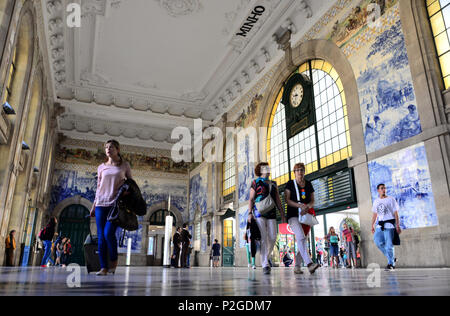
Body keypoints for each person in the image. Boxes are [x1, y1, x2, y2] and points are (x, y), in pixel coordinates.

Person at [90, 139, 132, 276]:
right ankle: (104, 268)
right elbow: (98, 187)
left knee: (109, 233)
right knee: (101, 236)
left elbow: (131, 184)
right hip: (101, 204)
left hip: (115, 205)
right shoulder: (101, 167)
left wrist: (127, 192)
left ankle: (113, 260)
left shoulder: (124, 166)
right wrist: (93, 205)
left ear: (118, 149)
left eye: (111, 147)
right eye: (106, 147)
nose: (108, 149)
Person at [248, 162, 286, 275]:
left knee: (273, 237)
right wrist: (249, 213)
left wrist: (282, 214)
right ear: (260, 170)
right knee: (263, 237)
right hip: (259, 212)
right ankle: (265, 264)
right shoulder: (255, 182)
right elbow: (251, 199)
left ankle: (266, 257)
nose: (267, 169)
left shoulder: (274, 184)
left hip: (272, 212)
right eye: (265, 168)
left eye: (268, 167)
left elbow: (278, 200)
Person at [284, 163, 320, 275]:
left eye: (301, 170)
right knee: (300, 237)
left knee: (302, 240)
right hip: (293, 214)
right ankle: (309, 264)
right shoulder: (290, 184)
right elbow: (287, 200)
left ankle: (297, 267)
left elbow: (313, 200)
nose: (300, 172)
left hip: (305, 215)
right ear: (294, 172)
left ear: (304, 171)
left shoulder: (308, 184)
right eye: (297, 170)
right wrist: (300, 206)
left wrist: (307, 207)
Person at [371, 183, 402, 271]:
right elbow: (374, 215)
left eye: (384, 188)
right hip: (380, 225)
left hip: (390, 225)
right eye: (382, 188)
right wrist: (372, 225)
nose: (384, 190)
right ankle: (391, 258)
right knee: (377, 242)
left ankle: (391, 264)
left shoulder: (391, 199)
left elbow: (396, 213)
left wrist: (398, 225)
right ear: (378, 190)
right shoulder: (376, 201)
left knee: (389, 245)